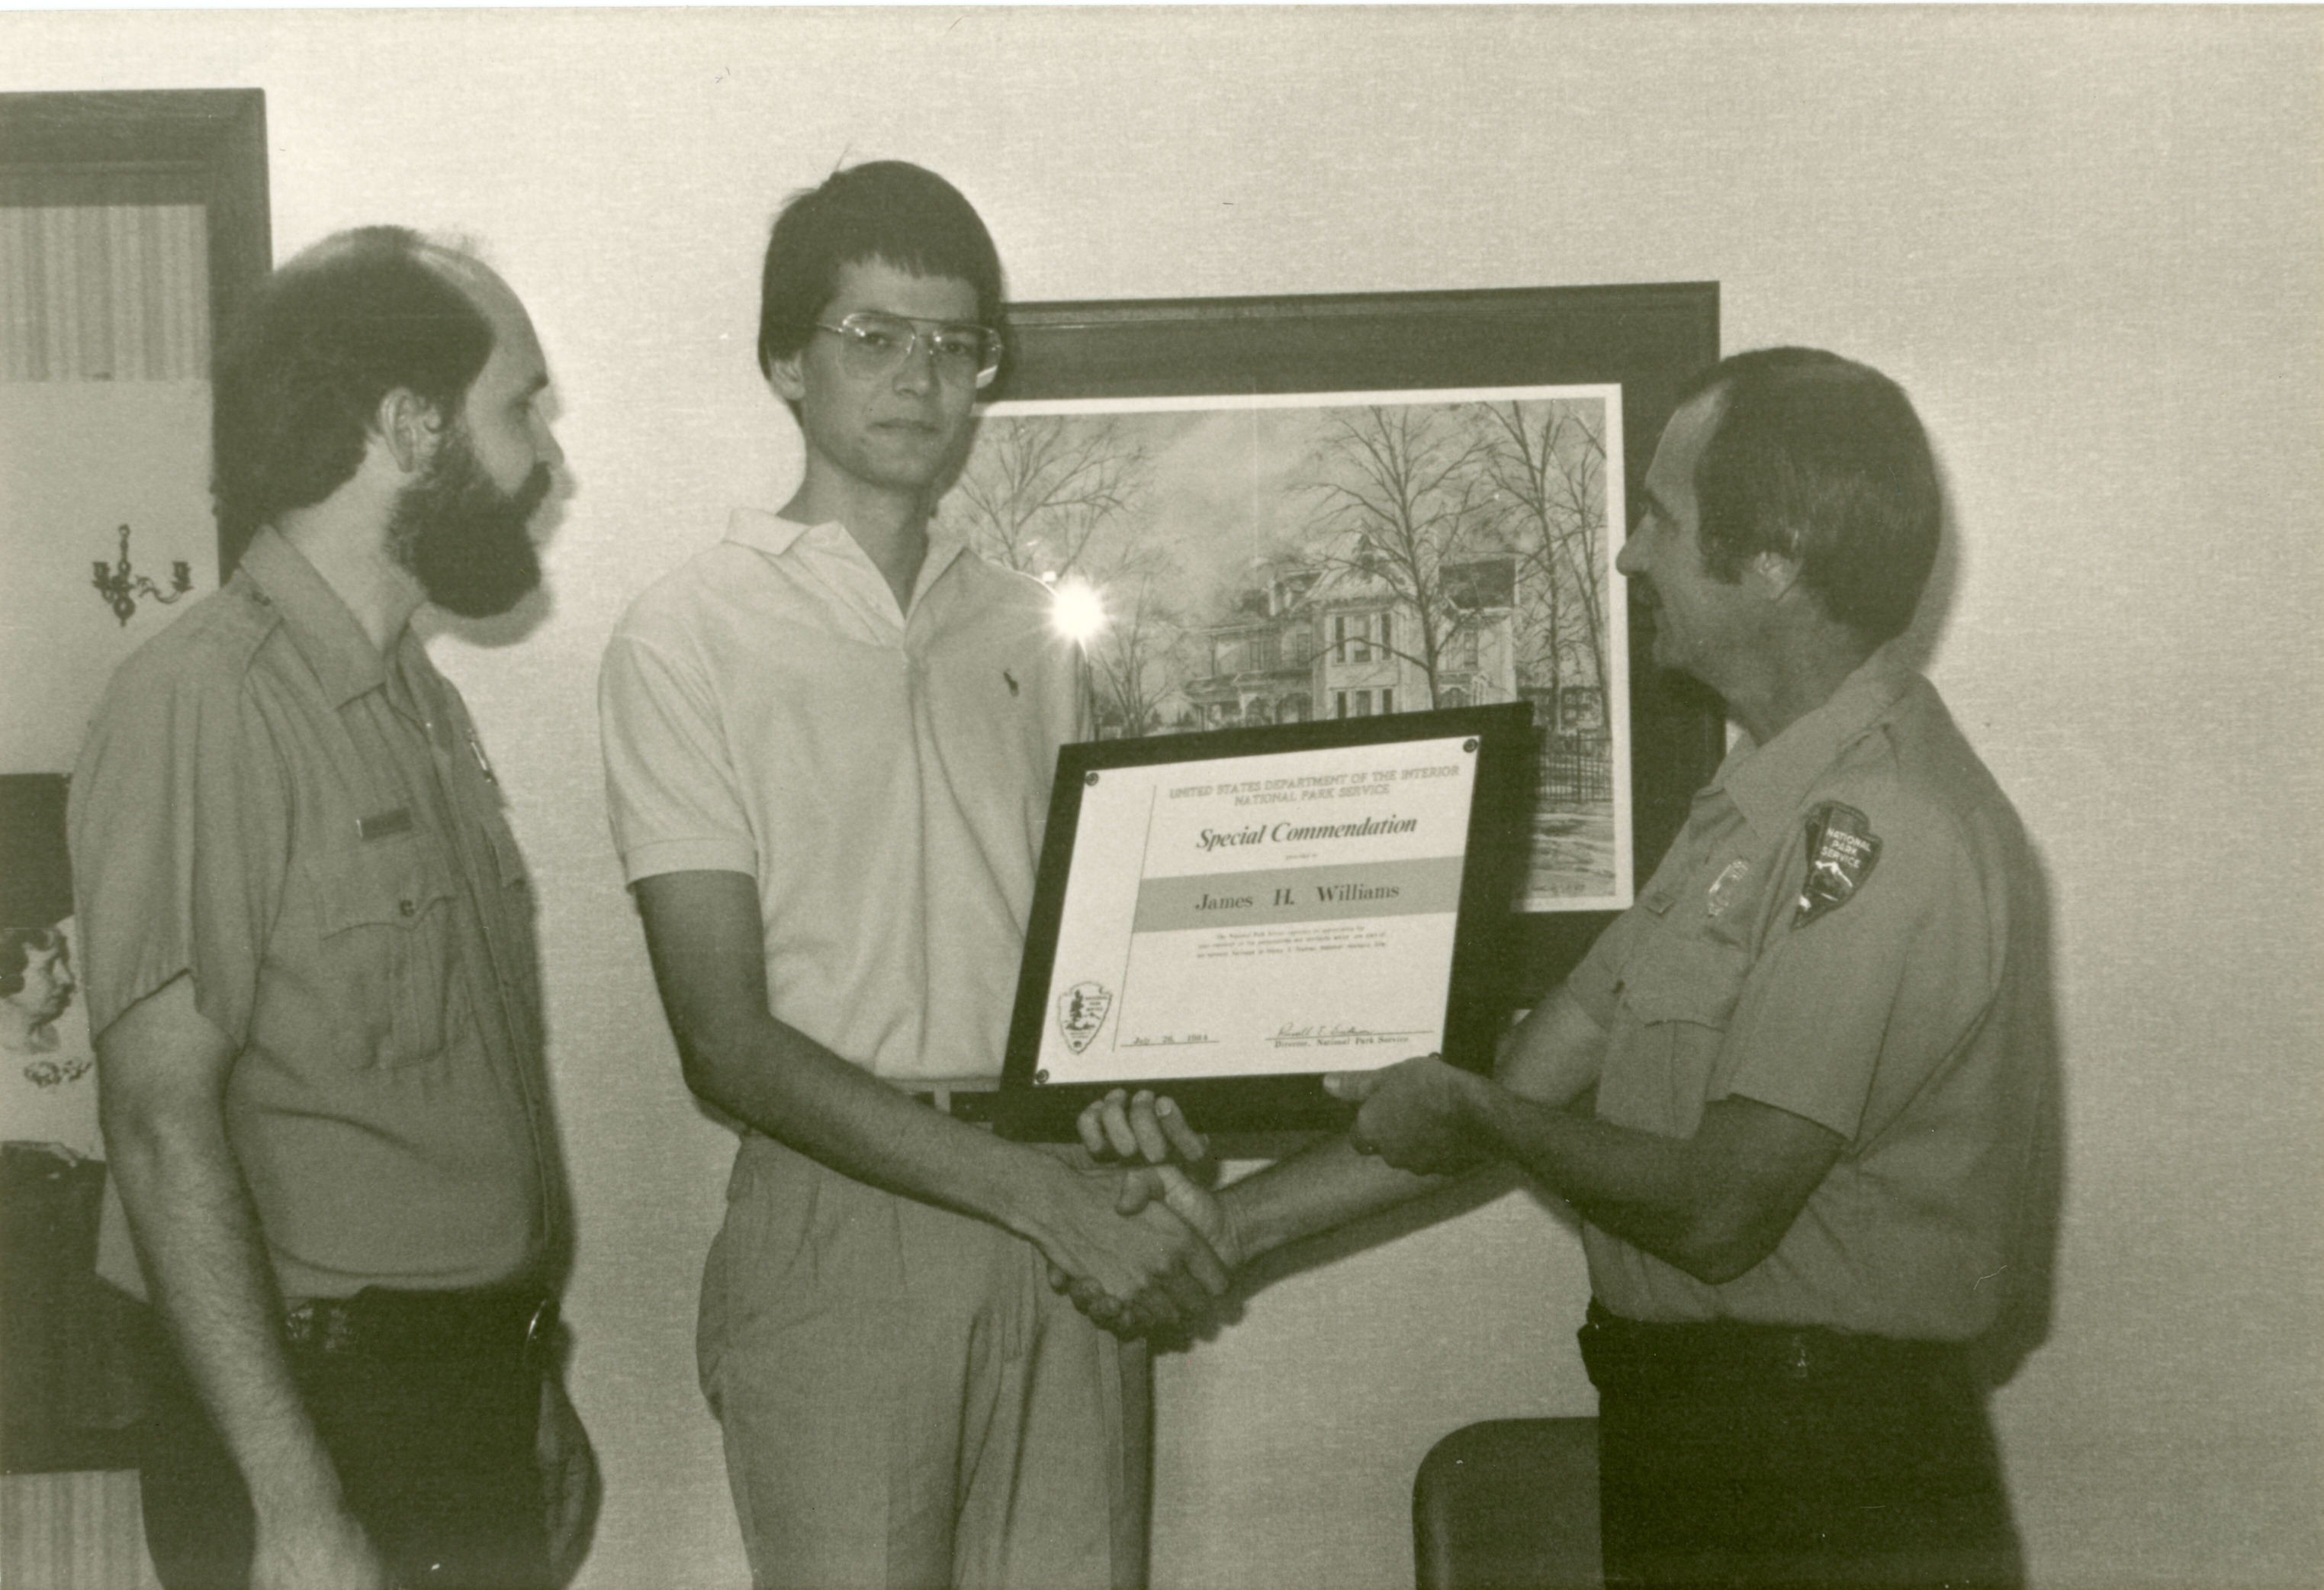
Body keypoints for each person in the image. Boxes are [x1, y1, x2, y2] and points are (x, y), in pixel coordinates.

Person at [1085, 348, 2044, 1589]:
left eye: (1663, 519)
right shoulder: (1754, 810)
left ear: (1775, 558)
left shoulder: (1885, 828)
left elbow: (1719, 1210)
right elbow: (1527, 1078)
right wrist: (1231, 1222)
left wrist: (1478, 1114)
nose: (1630, 557)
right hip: (1705, 1442)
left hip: (1832, 1469)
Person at [597, 160, 1225, 1590]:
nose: (919, 378)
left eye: (956, 345)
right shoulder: (686, 632)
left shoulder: (1036, 630)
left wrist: (1139, 1119)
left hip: (1066, 1200)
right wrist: (1035, 1198)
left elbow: (1100, 974)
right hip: (841, 1216)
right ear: (785, 361)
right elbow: (723, 1041)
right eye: (873, 336)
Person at [71, 226, 593, 1590]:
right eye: (520, 409)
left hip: (459, 1397)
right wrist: (295, 1508)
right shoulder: (205, 703)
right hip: (317, 1419)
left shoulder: (421, 706)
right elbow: (158, 1125)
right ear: (412, 427)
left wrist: (527, 1378)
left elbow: (445, 1104)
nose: (546, 459)